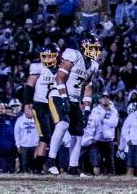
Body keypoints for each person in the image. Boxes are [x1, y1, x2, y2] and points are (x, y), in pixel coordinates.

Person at [46, 35, 101, 176]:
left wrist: (87, 109)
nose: (95, 51)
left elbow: (88, 87)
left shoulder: (93, 65)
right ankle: (50, 161)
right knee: (63, 124)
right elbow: (60, 77)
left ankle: (73, 167)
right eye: (92, 47)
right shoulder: (73, 54)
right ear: (84, 46)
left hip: (75, 99)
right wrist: (64, 98)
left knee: (78, 133)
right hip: (58, 94)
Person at [25, 44, 59, 173]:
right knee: (45, 137)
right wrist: (27, 105)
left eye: (51, 56)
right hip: (40, 105)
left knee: (51, 137)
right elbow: (29, 86)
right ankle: (37, 166)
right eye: (46, 56)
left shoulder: (62, 68)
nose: (48, 59)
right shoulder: (38, 67)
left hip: (54, 105)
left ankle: (39, 166)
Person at [89, 93, 119, 175]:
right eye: (103, 98)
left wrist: (103, 120)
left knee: (110, 161)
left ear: (109, 100)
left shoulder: (114, 110)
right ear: (100, 100)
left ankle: (111, 179)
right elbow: (94, 122)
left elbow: (114, 123)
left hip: (109, 139)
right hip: (97, 139)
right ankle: (98, 179)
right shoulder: (95, 110)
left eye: (107, 98)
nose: (105, 99)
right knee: (97, 161)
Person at [14, 104, 40, 172]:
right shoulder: (20, 120)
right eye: (26, 109)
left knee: (35, 163)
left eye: (30, 108)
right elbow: (16, 133)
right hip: (24, 146)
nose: (28, 110)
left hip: (35, 145)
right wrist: (18, 145)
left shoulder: (37, 118)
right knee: (24, 164)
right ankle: (25, 177)